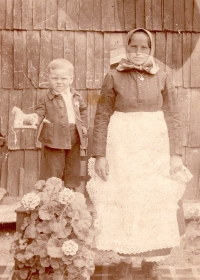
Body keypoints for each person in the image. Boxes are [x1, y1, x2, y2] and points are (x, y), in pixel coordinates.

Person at [86, 29, 192, 280]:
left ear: (151, 50)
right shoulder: (113, 76)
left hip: (154, 144)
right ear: (127, 48)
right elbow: (101, 116)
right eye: (133, 48)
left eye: (144, 48)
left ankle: (150, 260)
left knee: (150, 198)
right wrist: (100, 154)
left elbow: (174, 116)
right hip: (122, 145)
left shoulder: (163, 76)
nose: (138, 53)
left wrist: (175, 154)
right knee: (125, 196)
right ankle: (124, 258)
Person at [35, 59, 88, 189]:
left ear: (71, 79)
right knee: (54, 169)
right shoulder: (45, 98)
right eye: (54, 78)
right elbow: (40, 112)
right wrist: (35, 119)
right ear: (48, 78)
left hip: (74, 137)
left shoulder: (76, 96)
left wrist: (84, 125)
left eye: (63, 78)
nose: (59, 82)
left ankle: (70, 195)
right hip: (54, 138)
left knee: (72, 167)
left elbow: (83, 110)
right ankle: (53, 196)